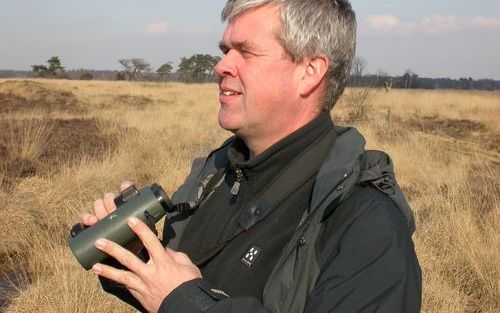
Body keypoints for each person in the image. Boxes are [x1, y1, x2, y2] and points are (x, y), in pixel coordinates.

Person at [79, 0, 422, 312]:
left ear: (310, 71)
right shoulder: (217, 174)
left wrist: (184, 303)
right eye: (226, 50)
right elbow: (177, 285)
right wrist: (136, 254)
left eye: (246, 52)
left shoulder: (366, 223)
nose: (220, 65)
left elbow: (182, 297)